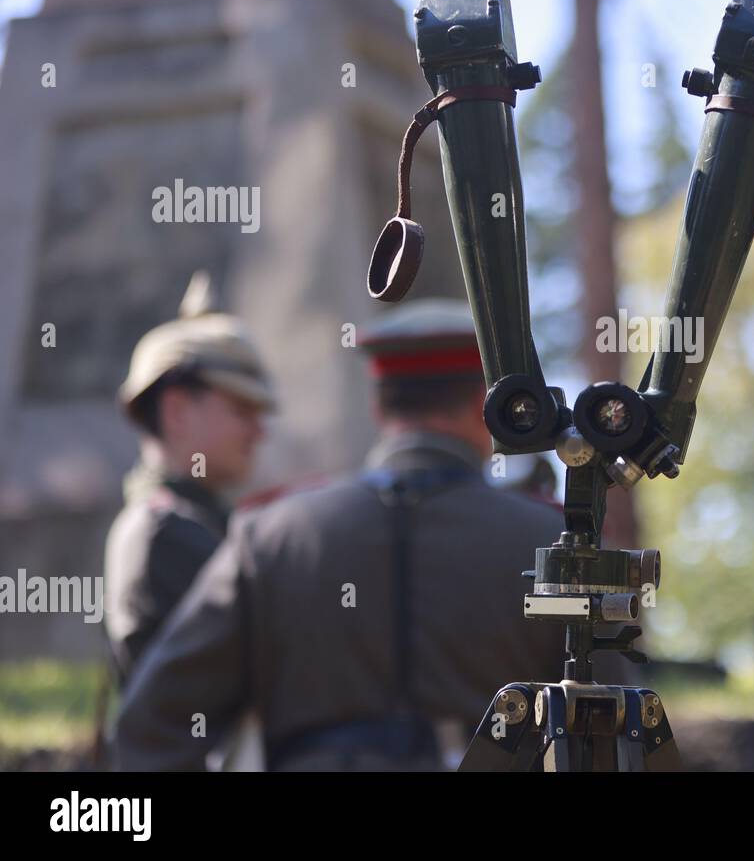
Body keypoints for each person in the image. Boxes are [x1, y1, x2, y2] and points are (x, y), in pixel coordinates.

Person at [113, 299, 575, 770]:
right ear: (485, 404)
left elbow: (153, 724)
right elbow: (608, 726)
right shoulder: (553, 541)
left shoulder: (269, 537)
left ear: (377, 404)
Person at [104, 273, 275, 685]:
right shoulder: (166, 534)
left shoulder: (197, 522)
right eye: (242, 410)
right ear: (177, 410)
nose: (259, 431)